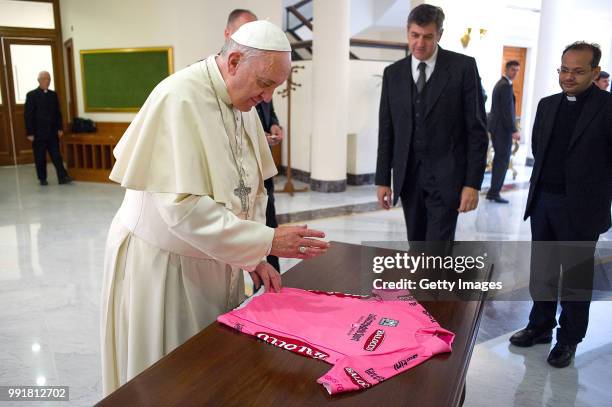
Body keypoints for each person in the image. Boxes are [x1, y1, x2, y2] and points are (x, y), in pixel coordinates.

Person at [101, 21, 330, 395]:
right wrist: (267, 240)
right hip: (165, 268)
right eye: (265, 83)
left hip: (212, 259)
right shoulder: (179, 98)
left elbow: (250, 189)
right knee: (170, 379)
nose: (268, 97)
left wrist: (253, 255)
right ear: (235, 60)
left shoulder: (242, 101)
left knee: (209, 377)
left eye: (275, 87)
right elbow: (183, 208)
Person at [510, 42, 612, 368]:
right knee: (542, 271)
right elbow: (540, 148)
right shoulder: (547, 104)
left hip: (581, 208)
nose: (568, 77)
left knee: (575, 279)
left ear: (595, 72)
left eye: (578, 71)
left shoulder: (607, 107)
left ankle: (568, 339)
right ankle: (539, 327)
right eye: (564, 69)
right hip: (544, 202)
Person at [375, 4, 488, 243]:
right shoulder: (392, 74)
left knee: (437, 250)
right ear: (407, 32)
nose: (420, 43)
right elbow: (387, 131)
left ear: (440, 35)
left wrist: (472, 184)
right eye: (415, 35)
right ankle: (421, 282)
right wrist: (383, 179)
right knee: (416, 243)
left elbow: (476, 131)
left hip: (448, 179)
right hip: (408, 178)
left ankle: (434, 281)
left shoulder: (463, 68)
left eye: (428, 37)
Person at [224, 9, 284, 272]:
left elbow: (267, 108)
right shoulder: (191, 95)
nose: (268, 96)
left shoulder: (257, 78)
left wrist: (273, 125)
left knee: (267, 217)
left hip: (258, 172)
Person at [24, 71, 73, 185]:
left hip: (51, 132)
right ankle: (42, 178)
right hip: (38, 133)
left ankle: (62, 177)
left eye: (49, 79)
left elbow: (57, 113)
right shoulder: (31, 95)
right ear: (39, 80)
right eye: (45, 79)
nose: (47, 81)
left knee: (57, 155)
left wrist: (60, 128)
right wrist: (29, 133)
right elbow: (28, 115)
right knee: (40, 157)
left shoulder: (53, 95)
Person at [486, 60, 521, 203]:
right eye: (513, 69)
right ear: (506, 69)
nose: (515, 73)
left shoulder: (502, 84)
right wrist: (514, 130)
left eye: (517, 70)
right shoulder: (505, 86)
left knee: (500, 160)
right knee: (502, 161)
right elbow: (506, 111)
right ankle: (494, 192)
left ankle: (493, 192)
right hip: (502, 130)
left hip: (498, 128)